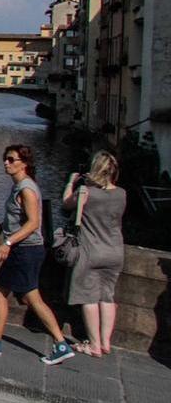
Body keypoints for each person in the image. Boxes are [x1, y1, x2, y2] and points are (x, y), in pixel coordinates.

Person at [0, 144, 75, 364]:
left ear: (24, 163)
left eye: (12, 159)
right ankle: (57, 343)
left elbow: (33, 223)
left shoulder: (26, 188)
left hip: (26, 251)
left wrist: (7, 242)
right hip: (25, 250)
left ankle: (56, 343)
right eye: (5, 159)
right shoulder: (20, 186)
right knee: (12, 293)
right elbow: (19, 218)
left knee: (21, 296)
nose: (6, 163)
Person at [63, 151, 126, 357]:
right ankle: (106, 342)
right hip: (115, 252)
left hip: (91, 251)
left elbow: (66, 204)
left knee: (88, 297)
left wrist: (71, 183)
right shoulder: (122, 194)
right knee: (107, 296)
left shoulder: (85, 192)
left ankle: (94, 344)